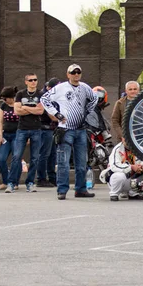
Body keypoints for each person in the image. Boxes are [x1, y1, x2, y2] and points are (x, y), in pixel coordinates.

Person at [40, 64, 98, 200]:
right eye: (73, 72)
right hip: (65, 129)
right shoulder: (60, 88)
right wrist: (57, 114)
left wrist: (87, 112)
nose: (76, 74)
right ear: (68, 74)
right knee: (63, 162)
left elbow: (94, 98)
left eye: (78, 72)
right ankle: (62, 189)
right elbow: (44, 99)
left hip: (81, 129)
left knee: (81, 162)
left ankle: (80, 189)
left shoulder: (85, 87)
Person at [5, 73, 44, 193]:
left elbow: (40, 111)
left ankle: (30, 182)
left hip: (36, 129)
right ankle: (11, 182)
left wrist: (25, 107)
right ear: (26, 82)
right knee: (16, 156)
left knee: (34, 158)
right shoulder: (20, 94)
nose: (33, 82)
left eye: (35, 80)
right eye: (31, 80)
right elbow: (17, 111)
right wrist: (32, 109)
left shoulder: (41, 94)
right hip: (22, 129)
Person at [36, 77, 60, 188]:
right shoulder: (44, 97)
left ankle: (52, 178)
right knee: (44, 154)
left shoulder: (53, 96)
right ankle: (41, 178)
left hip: (51, 128)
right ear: (49, 87)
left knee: (52, 155)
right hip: (45, 128)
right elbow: (50, 113)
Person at [0, 86, 20, 190]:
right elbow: (0, 121)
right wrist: (0, 135)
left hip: (17, 134)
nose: (4, 100)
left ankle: (15, 182)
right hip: (6, 134)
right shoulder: (3, 106)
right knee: (1, 157)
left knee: (16, 158)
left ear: (11, 97)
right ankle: (5, 181)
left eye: (5, 98)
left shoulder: (18, 105)